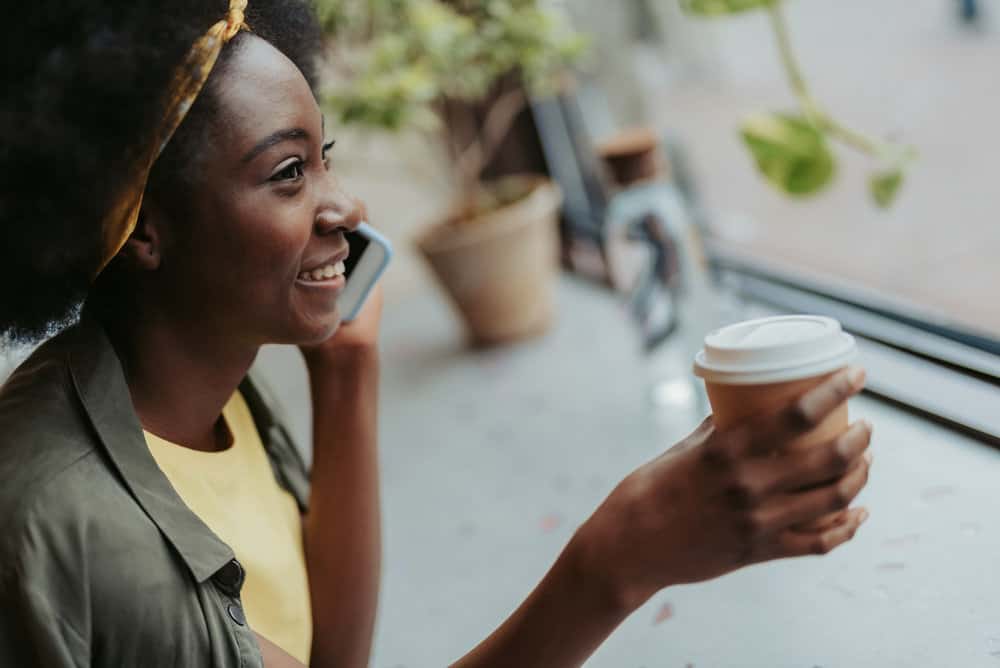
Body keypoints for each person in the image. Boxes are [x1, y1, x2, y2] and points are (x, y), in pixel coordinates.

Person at [0, 1, 873, 666]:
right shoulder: (70, 530)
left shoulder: (198, 382)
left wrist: (348, 369)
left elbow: (333, 657)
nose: (344, 207)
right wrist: (618, 560)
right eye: (290, 172)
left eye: (326, 156)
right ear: (146, 227)